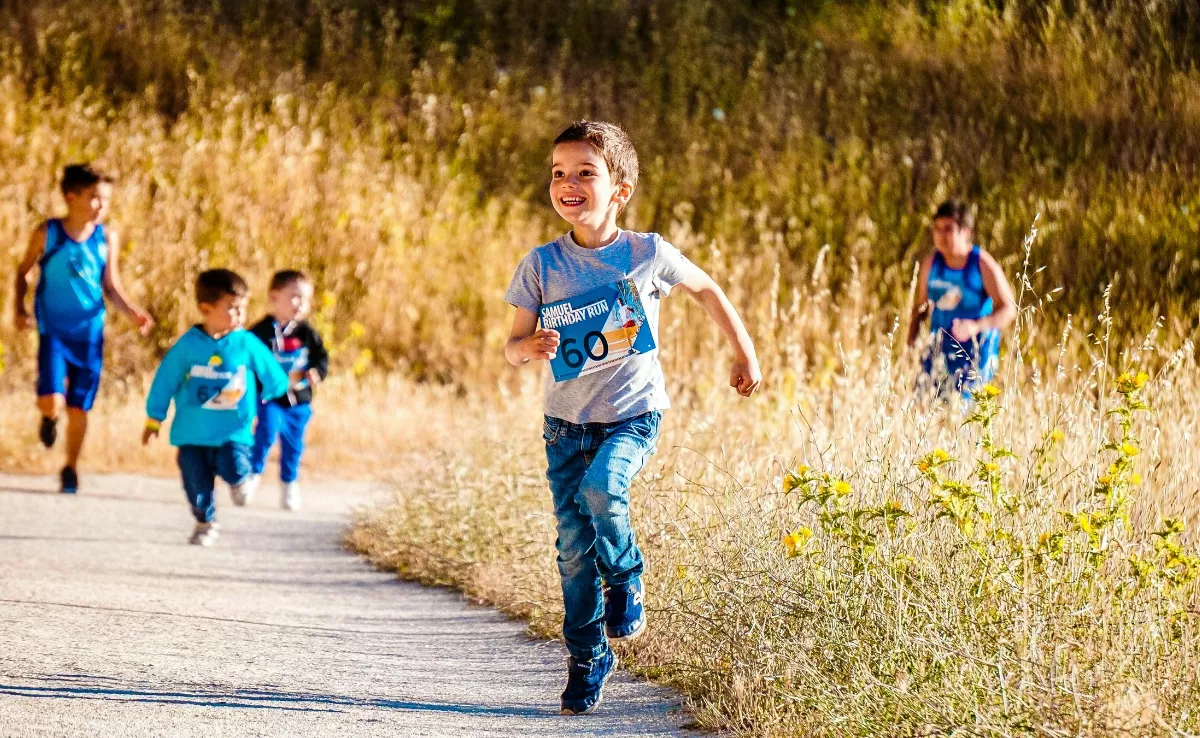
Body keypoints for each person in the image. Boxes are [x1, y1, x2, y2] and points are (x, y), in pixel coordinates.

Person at [504, 120, 761, 715]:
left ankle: (626, 577)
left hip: (633, 416)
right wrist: (531, 348)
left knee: (604, 489)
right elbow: (513, 345)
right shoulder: (540, 265)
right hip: (565, 427)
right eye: (558, 173)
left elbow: (706, 290)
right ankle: (588, 655)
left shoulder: (646, 252)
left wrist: (743, 350)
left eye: (584, 173)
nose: (568, 183)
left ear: (619, 189)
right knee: (571, 547)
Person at [12, 163, 154, 494]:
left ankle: (71, 467)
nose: (102, 205)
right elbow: (23, 272)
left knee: (80, 405)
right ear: (71, 197)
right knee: (51, 399)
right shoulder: (48, 232)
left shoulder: (106, 237)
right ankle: (48, 419)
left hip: (89, 335)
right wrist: (19, 308)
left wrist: (132, 312)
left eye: (105, 199)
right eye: (94, 198)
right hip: (54, 332)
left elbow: (110, 284)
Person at [142, 269, 289, 546]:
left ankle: (240, 480)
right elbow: (165, 382)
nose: (240, 315)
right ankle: (205, 522)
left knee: (234, 466)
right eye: (232, 308)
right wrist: (154, 419)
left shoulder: (245, 342)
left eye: (243, 308)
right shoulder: (188, 346)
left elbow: (272, 372)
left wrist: (274, 391)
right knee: (195, 484)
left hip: (233, 431)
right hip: (191, 433)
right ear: (206, 309)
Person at [906, 199, 1017, 397]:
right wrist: (910, 344)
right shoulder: (931, 265)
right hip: (938, 349)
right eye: (937, 229)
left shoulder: (981, 264)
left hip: (974, 354)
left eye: (948, 228)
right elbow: (920, 308)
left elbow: (1009, 309)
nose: (941, 236)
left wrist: (976, 326)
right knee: (923, 407)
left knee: (961, 416)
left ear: (966, 231)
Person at [241, 270, 329, 512]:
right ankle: (252, 477)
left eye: (306, 299)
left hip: (299, 401)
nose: (300, 305)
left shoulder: (306, 333)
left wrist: (316, 372)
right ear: (274, 297)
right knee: (265, 433)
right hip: (269, 397)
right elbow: (245, 357)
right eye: (294, 297)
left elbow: (321, 358)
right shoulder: (260, 332)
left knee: (293, 445)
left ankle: (289, 484)